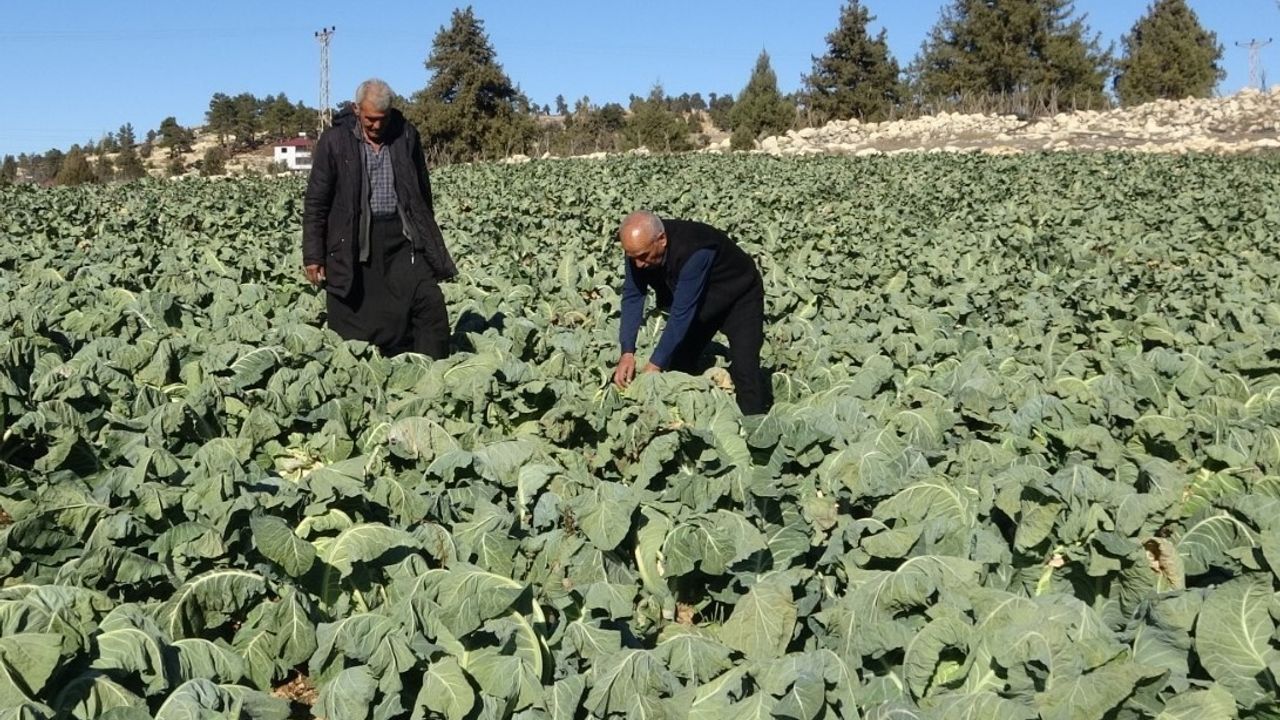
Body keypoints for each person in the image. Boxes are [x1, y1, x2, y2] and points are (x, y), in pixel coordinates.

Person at [302, 78, 456, 358]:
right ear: (356, 109)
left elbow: (421, 191)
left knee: (428, 302)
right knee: (357, 309)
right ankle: (368, 365)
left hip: (401, 238)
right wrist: (313, 255)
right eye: (370, 119)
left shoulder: (405, 135)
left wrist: (426, 235)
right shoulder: (335, 141)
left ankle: (432, 370)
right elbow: (316, 202)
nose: (376, 125)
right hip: (354, 239)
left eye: (382, 119)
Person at [612, 210, 771, 415]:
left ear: (661, 240)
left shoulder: (694, 249)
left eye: (643, 256)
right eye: (632, 257)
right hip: (701, 300)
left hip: (739, 294)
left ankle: (753, 425)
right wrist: (627, 352)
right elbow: (633, 296)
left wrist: (653, 367)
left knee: (745, 370)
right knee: (678, 363)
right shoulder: (637, 249)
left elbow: (681, 313)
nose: (638, 264)